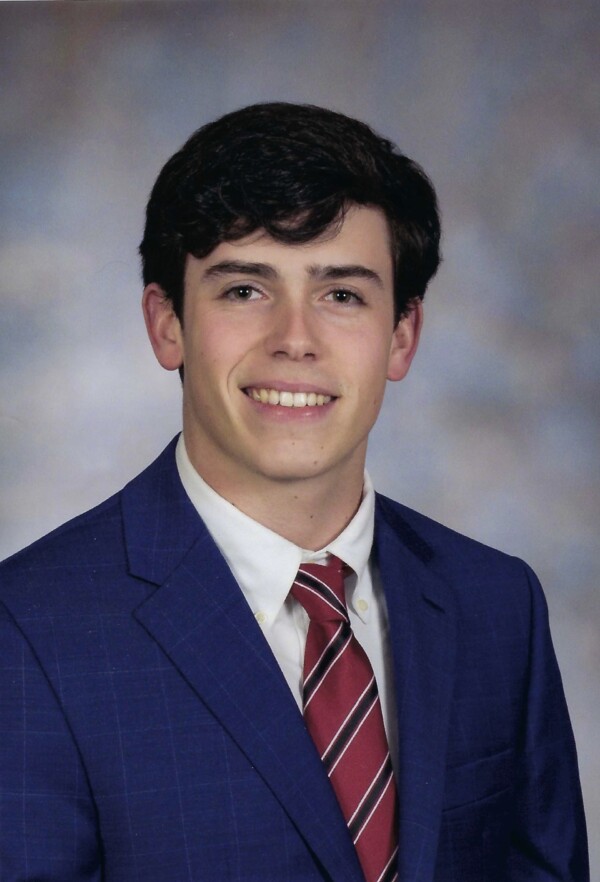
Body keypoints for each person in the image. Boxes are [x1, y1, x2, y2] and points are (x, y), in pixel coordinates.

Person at [0, 102, 588, 882]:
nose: (296, 338)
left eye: (341, 294)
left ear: (402, 335)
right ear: (166, 322)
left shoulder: (497, 606)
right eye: (245, 290)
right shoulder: (30, 634)